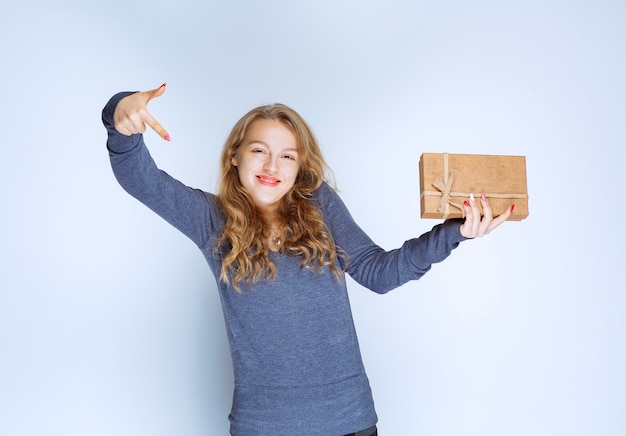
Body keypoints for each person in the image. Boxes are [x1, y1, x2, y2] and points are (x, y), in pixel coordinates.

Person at [102, 83, 512, 436]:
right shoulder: (211, 220)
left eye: (287, 156)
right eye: (259, 150)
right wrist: (119, 116)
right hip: (264, 426)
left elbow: (379, 272)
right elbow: (141, 178)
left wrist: (453, 232)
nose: (271, 166)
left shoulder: (319, 205)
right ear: (235, 156)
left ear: (299, 167)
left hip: (349, 420)